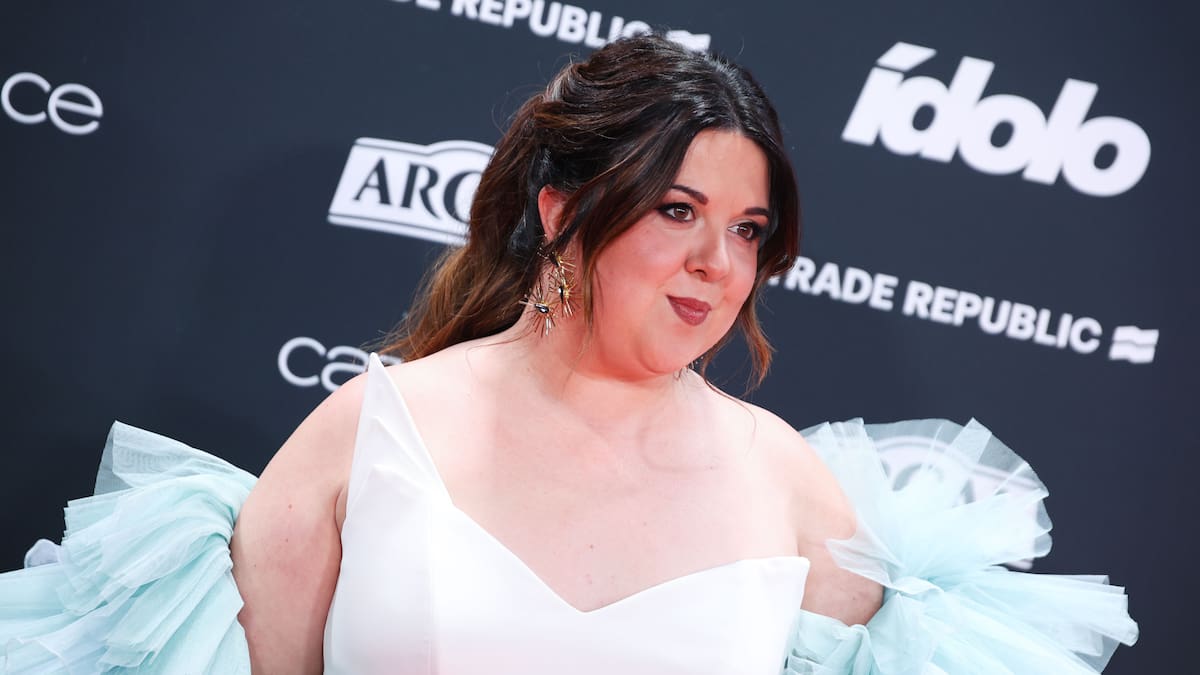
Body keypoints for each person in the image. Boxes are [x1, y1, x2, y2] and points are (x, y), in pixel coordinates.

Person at [0, 34, 1137, 674]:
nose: (717, 264)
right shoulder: (376, 431)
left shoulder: (788, 483)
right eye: (677, 211)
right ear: (561, 210)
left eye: (748, 231)